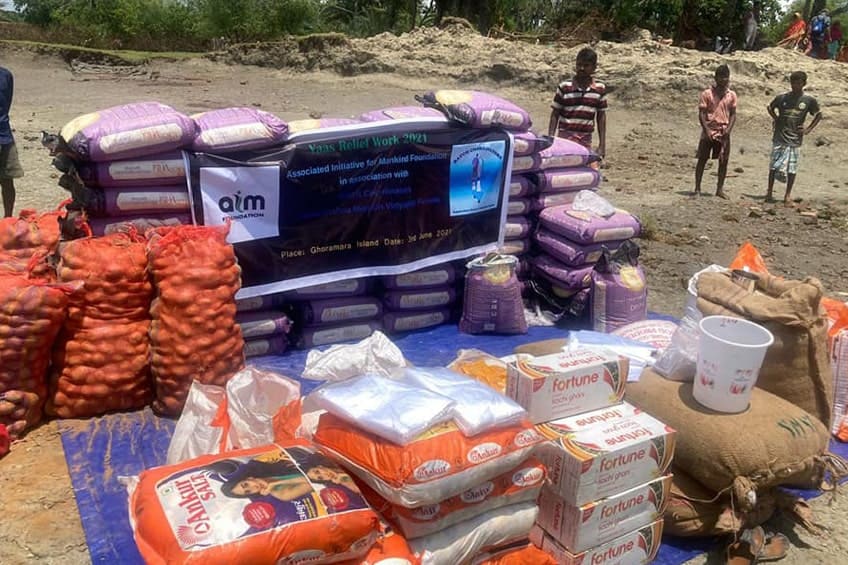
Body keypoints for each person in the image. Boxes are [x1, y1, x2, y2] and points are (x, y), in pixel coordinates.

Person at [766, 71, 822, 206]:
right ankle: (769, 192)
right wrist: (776, 118)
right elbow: (770, 107)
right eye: (793, 83)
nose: (795, 86)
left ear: (804, 84)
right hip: (780, 136)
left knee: (792, 168)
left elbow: (818, 115)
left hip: (795, 139)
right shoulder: (782, 98)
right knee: (774, 166)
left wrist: (807, 129)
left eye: (798, 83)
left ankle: (787, 195)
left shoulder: (808, 100)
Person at [548, 47, 607, 159]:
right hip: (565, 137)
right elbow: (555, 113)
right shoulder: (565, 87)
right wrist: (550, 138)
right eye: (579, 64)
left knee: (586, 170)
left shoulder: (599, 89)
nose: (581, 68)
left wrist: (602, 145)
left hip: (585, 138)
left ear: (594, 67)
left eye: (586, 65)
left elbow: (601, 117)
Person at [694, 65, 737, 199]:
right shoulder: (707, 94)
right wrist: (706, 130)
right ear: (716, 78)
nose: (724, 80)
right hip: (709, 130)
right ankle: (697, 188)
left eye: (726, 77)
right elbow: (701, 113)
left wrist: (728, 131)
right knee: (702, 159)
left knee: (723, 161)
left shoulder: (731, 95)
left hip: (723, 131)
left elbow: (733, 114)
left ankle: (719, 189)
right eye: (721, 77)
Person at [0, 66, 23, 218]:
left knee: (7, 180)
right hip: (4, 134)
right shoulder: (6, 75)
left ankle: (8, 219)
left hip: (4, 135)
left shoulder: (6, 75)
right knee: (7, 182)